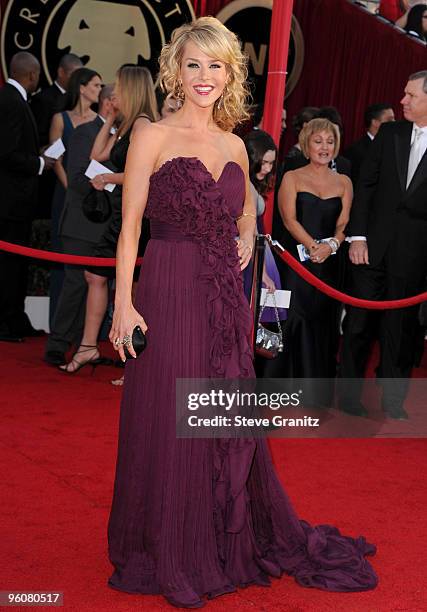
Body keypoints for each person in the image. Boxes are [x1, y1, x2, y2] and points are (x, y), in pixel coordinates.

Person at [106, 17, 377, 609]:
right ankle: (174, 545)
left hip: (224, 300)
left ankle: (219, 535)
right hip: (170, 288)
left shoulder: (234, 143)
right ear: (176, 71)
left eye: (217, 65)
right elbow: (129, 231)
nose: (205, 76)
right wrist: (123, 304)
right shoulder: (150, 134)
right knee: (173, 412)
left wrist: (250, 234)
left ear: (230, 74)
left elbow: (247, 211)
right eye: (194, 64)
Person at [339, 71, 427, 420]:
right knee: (358, 322)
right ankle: (347, 397)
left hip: (415, 254)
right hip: (370, 247)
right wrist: (357, 236)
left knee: (401, 330)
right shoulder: (390, 133)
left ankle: (393, 401)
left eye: (411, 95)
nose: (402, 101)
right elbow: (367, 185)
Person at [58, 65, 158, 373]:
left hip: (134, 215)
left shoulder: (144, 125)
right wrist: (112, 118)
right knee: (96, 276)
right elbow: (97, 153)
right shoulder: (129, 124)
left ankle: (133, 363)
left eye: (119, 88)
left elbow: (148, 175)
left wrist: (108, 178)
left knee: (131, 290)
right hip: (119, 212)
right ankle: (89, 347)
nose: (114, 93)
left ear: (133, 89)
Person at [277, 118, 353, 406]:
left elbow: (344, 223)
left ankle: (315, 396)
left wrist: (332, 245)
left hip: (329, 264)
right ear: (307, 144)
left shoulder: (344, 181)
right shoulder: (293, 177)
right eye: (318, 141)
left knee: (324, 323)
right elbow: (288, 219)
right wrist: (312, 246)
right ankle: (283, 391)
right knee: (294, 319)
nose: (325, 147)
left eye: (330, 141)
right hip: (297, 264)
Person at [44, 85, 117, 367]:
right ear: (110, 103)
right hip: (81, 224)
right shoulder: (85, 132)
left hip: (107, 226)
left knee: (96, 287)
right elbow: (75, 179)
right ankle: (57, 344)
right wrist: (114, 180)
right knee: (75, 285)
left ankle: (84, 345)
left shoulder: (121, 135)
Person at [0, 52, 55, 343]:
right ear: (32, 75)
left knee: (15, 266)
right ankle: (8, 322)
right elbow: (6, 153)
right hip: (11, 203)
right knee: (9, 266)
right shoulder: (11, 102)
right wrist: (39, 163)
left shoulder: (11, 99)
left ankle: (16, 320)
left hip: (14, 202)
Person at [48, 67, 102, 324]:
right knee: (64, 265)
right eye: (95, 85)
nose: (99, 91)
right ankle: (58, 326)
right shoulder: (62, 118)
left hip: (91, 201)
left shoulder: (99, 123)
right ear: (81, 87)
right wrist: (72, 185)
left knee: (87, 273)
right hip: (66, 194)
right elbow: (55, 157)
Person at [242, 129, 287, 377]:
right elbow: (250, 233)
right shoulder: (240, 181)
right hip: (246, 260)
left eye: (271, 163)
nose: (268, 168)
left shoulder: (250, 183)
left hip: (255, 258)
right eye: (264, 162)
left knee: (250, 327)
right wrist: (262, 274)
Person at [30, 53, 83, 220]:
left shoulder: (83, 103)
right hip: (50, 176)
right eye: (74, 75)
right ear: (61, 72)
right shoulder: (43, 99)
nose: (78, 81)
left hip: (73, 169)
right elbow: (36, 136)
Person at [345, 103, 395, 186]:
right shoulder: (355, 151)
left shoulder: (394, 148)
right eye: (389, 120)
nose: (394, 123)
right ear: (375, 122)